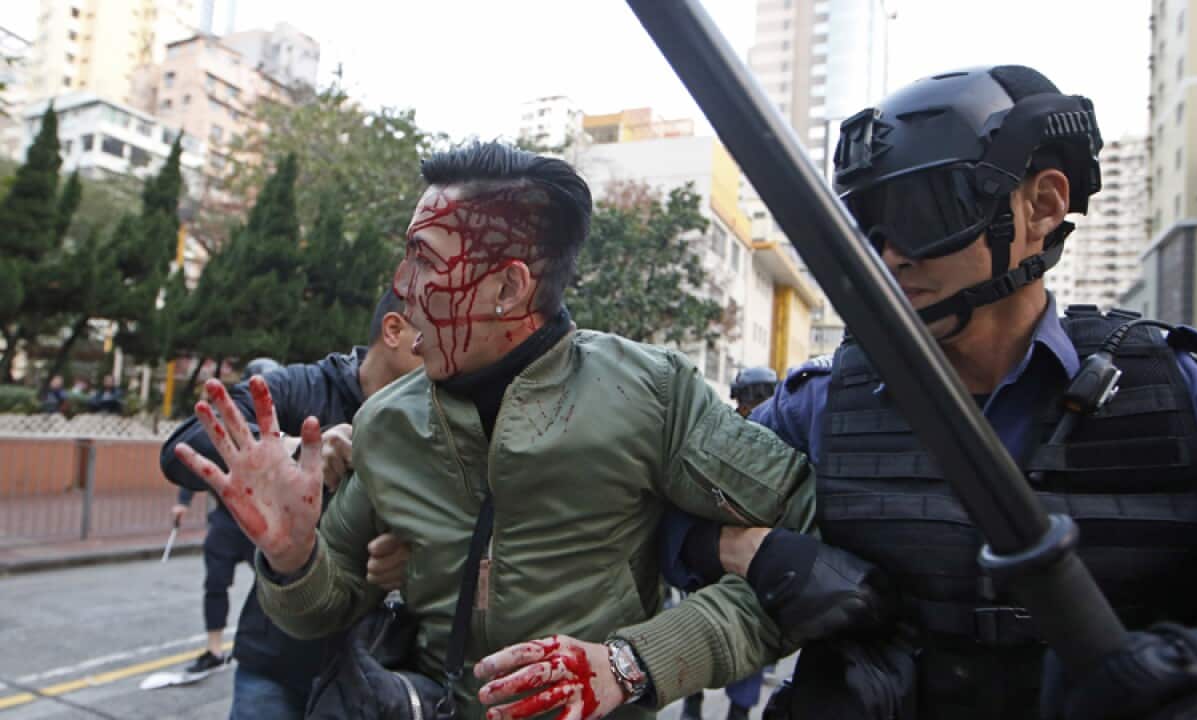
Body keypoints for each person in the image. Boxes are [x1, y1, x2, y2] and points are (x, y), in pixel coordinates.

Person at [669, 65, 1197, 719]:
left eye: (924, 210)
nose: (892, 255)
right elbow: (664, 520)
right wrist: (761, 554)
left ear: (1042, 205)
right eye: (868, 227)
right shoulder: (817, 406)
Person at [173, 142, 819, 720]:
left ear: (509, 287)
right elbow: (324, 605)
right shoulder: (387, 422)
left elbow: (808, 557)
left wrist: (633, 663)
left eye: (424, 262)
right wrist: (291, 558)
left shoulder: (652, 393)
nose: (402, 288)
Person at [160, 288, 422, 718]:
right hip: (278, 660)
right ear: (394, 330)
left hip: (380, 673)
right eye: (433, 332)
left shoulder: (444, 413)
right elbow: (183, 446)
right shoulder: (307, 386)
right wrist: (292, 450)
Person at [171, 357, 284, 679]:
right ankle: (213, 647)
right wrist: (183, 501)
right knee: (216, 581)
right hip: (226, 517)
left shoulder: (281, 423)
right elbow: (200, 460)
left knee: (274, 583)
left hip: (262, 523)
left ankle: (276, 641)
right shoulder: (232, 422)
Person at [680, 365, 781, 720]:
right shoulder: (773, 434)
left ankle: (704, 705)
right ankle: (721, 707)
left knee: (704, 631)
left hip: (722, 554)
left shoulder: (722, 431)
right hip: (737, 555)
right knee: (741, 632)